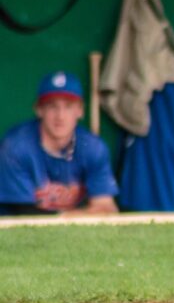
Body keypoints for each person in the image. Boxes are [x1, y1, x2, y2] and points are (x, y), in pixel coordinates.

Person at [0, 72, 119, 215]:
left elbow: (106, 208)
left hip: (72, 229)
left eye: (68, 106)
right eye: (52, 106)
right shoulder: (15, 146)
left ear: (80, 110)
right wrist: (71, 218)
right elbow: (22, 214)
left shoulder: (93, 147)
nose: (60, 116)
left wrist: (70, 218)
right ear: (39, 109)